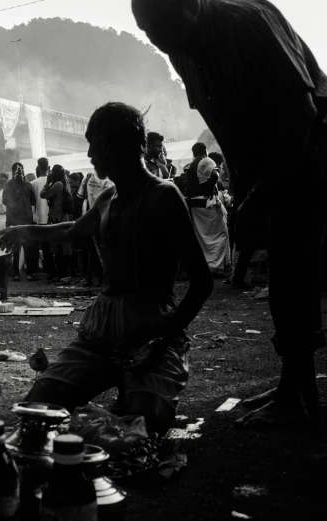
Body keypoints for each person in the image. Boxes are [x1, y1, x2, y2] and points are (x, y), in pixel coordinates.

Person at [133, 0, 327, 428]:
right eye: (149, 34)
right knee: (288, 271)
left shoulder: (246, 23)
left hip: (310, 151)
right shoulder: (181, 49)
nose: (160, 41)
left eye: (164, 27)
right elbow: (226, 125)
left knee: (294, 270)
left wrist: (260, 196)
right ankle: (299, 384)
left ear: (191, 8)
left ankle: (296, 392)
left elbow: (303, 112)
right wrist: (245, 195)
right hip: (262, 168)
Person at [0, 102, 213, 434]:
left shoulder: (164, 196)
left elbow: (202, 282)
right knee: (37, 409)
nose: (89, 154)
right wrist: (24, 231)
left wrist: (159, 341)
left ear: (117, 146)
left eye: (93, 144)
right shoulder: (107, 198)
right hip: (100, 333)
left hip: (152, 328)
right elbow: (72, 230)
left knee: (141, 427)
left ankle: (135, 388)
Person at [184, 142, 230, 275]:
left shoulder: (191, 165)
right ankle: (216, 266)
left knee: (204, 236)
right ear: (205, 151)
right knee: (220, 233)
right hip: (207, 202)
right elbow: (215, 175)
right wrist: (210, 187)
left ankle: (208, 265)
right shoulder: (206, 160)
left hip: (195, 205)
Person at [76, 170, 114, 286]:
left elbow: (80, 196)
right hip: (103, 217)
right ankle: (102, 279)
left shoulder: (87, 177)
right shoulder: (110, 179)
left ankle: (89, 279)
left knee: (92, 250)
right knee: (103, 249)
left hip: (89, 216)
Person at [40, 165, 77, 283]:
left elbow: (42, 194)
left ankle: (64, 273)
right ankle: (66, 273)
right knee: (62, 248)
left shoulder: (57, 184)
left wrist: (47, 183)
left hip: (58, 218)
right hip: (60, 217)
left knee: (59, 249)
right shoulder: (62, 183)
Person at [2, 163, 38, 282]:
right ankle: (30, 273)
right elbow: (33, 201)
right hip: (26, 220)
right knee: (28, 248)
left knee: (14, 248)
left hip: (12, 220)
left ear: (12, 172)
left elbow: (4, 201)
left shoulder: (8, 185)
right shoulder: (27, 185)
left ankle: (15, 273)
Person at [32, 158, 53, 279]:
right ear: (48, 167)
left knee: (44, 247)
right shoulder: (53, 181)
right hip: (52, 217)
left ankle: (48, 269)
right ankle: (53, 269)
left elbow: (33, 203)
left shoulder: (34, 183)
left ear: (38, 168)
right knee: (53, 246)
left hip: (40, 218)